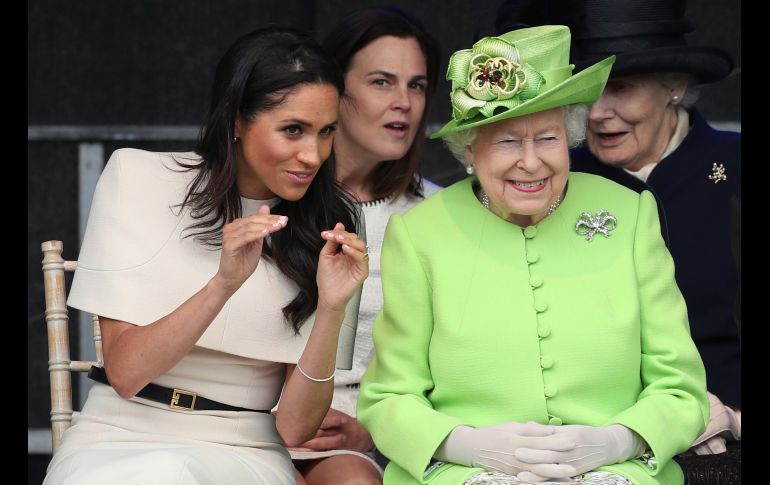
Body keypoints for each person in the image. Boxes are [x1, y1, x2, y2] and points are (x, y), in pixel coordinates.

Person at [358, 25, 709, 485]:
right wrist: (465, 444)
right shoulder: (420, 233)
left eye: (547, 138)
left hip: (616, 473)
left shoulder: (629, 214)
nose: (530, 162)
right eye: (507, 141)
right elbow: (388, 398)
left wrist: (619, 441)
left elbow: (681, 389)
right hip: (464, 475)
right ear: (470, 151)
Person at [44, 27, 369, 485]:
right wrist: (222, 284)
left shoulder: (332, 225)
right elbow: (126, 373)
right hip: (116, 436)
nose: (312, 155)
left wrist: (332, 308)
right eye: (292, 130)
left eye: (326, 132)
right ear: (237, 120)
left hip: (245, 448)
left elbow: (296, 428)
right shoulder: (138, 179)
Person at [564, 0, 741, 454]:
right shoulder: (557, 179)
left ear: (675, 87)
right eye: (588, 91)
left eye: (619, 88)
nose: (598, 113)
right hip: (596, 437)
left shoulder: (735, 166)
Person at [289, 7, 441, 484]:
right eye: (382, 81)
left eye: (416, 85)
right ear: (336, 91)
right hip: (256, 420)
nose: (404, 102)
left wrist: (371, 432)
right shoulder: (281, 194)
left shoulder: (438, 213)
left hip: (365, 437)